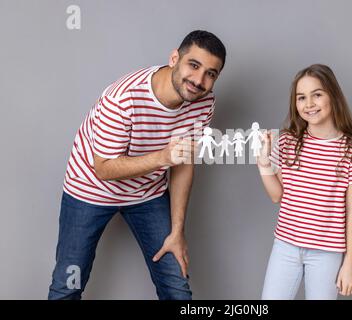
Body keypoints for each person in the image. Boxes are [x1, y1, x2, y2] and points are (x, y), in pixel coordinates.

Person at [48, 30, 226, 300]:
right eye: (194, 65)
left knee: (177, 288)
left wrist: (177, 231)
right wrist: (162, 158)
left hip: (147, 193)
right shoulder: (122, 99)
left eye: (211, 74)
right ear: (174, 58)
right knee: (67, 285)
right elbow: (105, 168)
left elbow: (183, 163)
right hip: (91, 189)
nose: (199, 81)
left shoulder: (203, 103)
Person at [257, 64, 352, 300]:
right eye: (301, 97)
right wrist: (264, 164)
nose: (309, 104)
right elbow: (277, 196)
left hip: (327, 253)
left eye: (317, 94)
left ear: (333, 96)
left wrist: (350, 264)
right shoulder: (288, 142)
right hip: (285, 246)